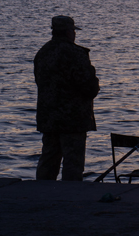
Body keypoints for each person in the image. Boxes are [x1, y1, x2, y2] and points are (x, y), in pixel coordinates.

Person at [34, 15, 100, 181]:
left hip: (49, 118)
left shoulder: (43, 53)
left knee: (48, 160)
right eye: (73, 31)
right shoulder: (76, 54)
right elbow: (89, 87)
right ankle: (71, 197)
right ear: (69, 32)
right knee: (73, 163)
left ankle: (40, 194)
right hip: (73, 119)